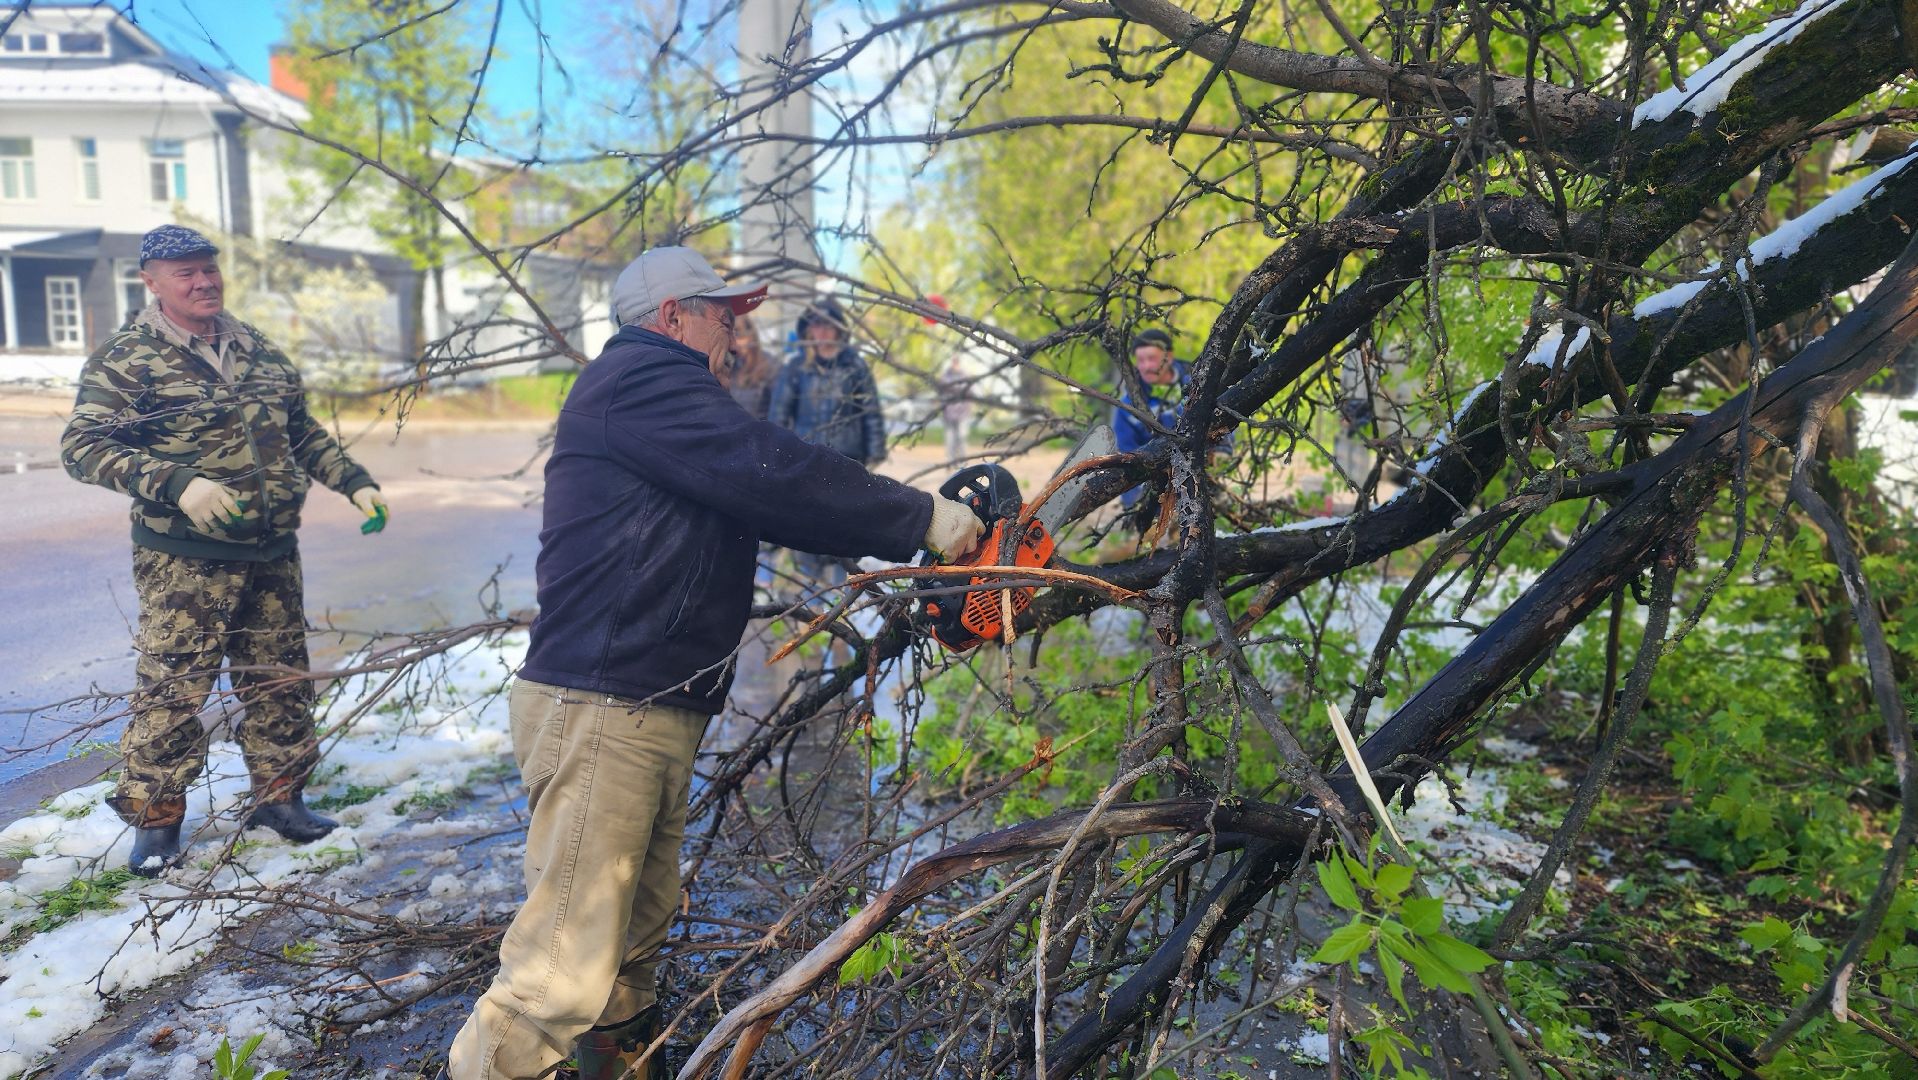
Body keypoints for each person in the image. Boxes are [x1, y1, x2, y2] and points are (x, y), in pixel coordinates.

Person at [447, 246, 983, 1080]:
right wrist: (922, 519)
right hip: (605, 705)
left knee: (629, 946)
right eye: (720, 310)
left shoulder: (668, 396)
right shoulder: (642, 381)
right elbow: (774, 473)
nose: (737, 325)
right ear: (671, 318)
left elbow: (770, 491)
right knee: (558, 975)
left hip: (645, 702)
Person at [60, 224, 389, 877]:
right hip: (185, 557)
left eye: (209, 269)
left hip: (270, 550)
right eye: (185, 273)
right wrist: (178, 485)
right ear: (150, 281)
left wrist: (355, 482)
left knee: (279, 677)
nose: (203, 282)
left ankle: (280, 799)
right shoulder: (128, 358)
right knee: (174, 689)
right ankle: (157, 824)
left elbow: (302, 432)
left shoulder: (257, 350)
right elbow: (83, 448)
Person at [769, 297, 890, 587]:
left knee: (845, 526)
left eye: (827, 325)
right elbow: (778, 415)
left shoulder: (855, 367)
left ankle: (843, 591)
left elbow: (869, 411)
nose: (821, 331)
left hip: (848, 461)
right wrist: (777, 455)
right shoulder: (795, 369)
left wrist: (874, 452)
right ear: (808, 330)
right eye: (816, 325)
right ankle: (808, 592)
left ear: (838, 329)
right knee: (807, 526)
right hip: (806, 461)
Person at [1112, 328, 1192, 509]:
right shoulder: (1128, 406)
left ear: (1169, 357)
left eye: (1152, 358)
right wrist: (1134, 510)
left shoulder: (1194, 382)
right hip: (1157, 489)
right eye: (1141, 360)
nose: (1146, 366)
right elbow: (1127, 461)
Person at [720, 313, 774, 420]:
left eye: (739, 335)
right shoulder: (727, 365)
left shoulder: (770, 366)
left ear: (751, 336)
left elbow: (779, 414)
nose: (734, 343)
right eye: (729, 336)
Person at [938, 355, 972, 465]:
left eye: (956, 362)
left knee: (962, 436)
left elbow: (969, 394)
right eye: (953, 362)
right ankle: (951, 460)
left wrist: (968, 408)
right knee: (950, 437)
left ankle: (962, 460)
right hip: (949, 413)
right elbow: (941, 394)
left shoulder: (965, 376)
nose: (955, 364)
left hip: (962, 413)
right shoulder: (945, 377)